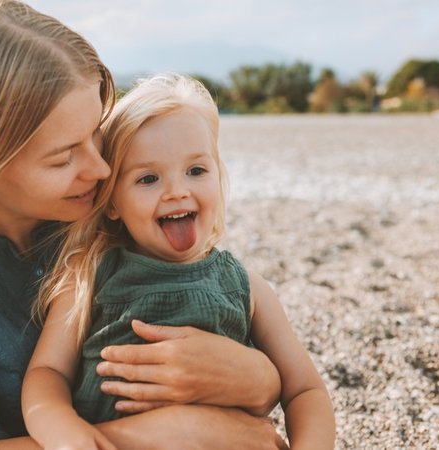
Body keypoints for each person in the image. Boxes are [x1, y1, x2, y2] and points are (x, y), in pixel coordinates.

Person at [0, 1, 287, 449]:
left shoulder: (112, 215)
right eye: (64, 156)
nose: (101, 170)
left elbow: (227, 313)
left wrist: (259, 380)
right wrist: (177, 434)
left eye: (96, 136)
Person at [21, 74, 335, 450]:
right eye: (149, 178)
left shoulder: (246, 287)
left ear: (219, 177)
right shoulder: (89, 276)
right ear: (113, 202)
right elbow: (47, 371)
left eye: (196, 171)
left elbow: (305, 390)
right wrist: (63, 432)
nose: (177, 191)